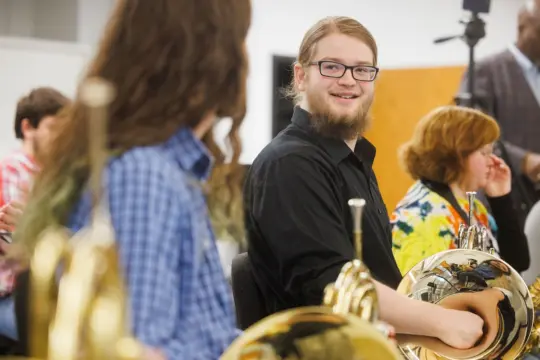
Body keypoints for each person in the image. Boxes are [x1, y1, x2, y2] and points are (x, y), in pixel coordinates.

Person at [4, 0, 252, 359]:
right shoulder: (144, 175)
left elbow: (202, 335)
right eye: (240, 38)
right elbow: (140, 350)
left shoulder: (165, 168)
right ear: (213, 54)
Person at [244, 16, 484, 350]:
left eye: (362, 69)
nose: (348, 80)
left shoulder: (353, 161)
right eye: (332, 67)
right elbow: (333, 284)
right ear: (301, 76)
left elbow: (377, 277)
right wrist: (445, 323)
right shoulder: (290, 164)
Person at [391, 106, 530, 275]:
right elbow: (415, 292)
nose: (493, 161)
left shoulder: (472, 206)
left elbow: (517, 265)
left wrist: (501, 199)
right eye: (484, 152)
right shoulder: (422, 216)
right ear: (456, 154)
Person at [457, 0, 540, 225]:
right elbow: (473, 133)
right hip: (504, 196)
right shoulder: (486, 71)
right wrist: (524, 160)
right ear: (524, 27)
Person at [0, 87, 70, 231]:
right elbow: (14, 231)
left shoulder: (56, 174)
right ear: (27, 128)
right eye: (53, 128)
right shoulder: (12, 168)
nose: (60, 136)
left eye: (64, 130)